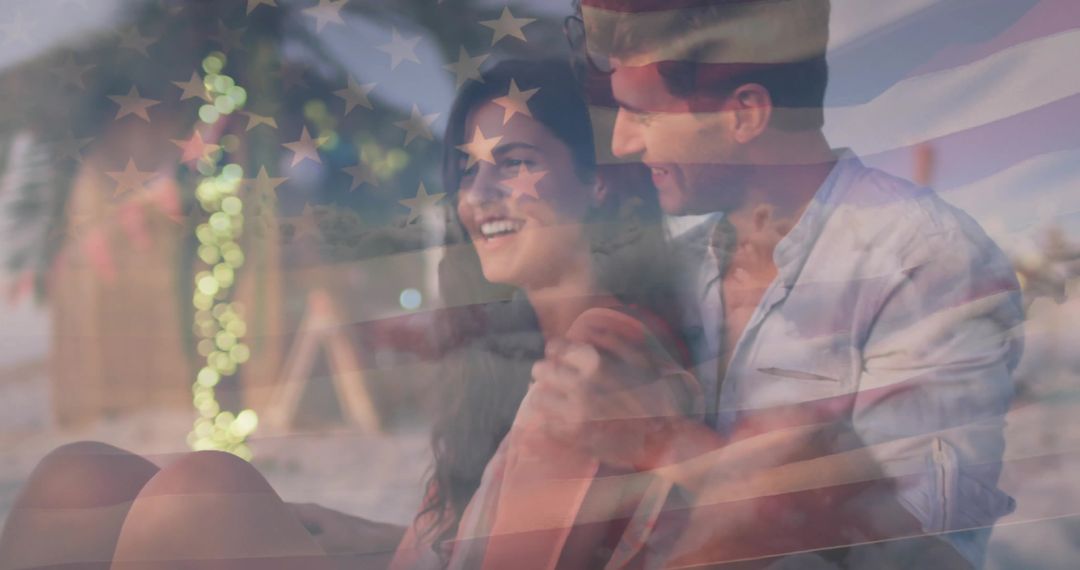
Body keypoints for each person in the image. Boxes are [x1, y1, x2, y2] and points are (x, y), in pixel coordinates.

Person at [0, 59, 698, 570]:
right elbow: (499, 529)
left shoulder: (601, 356)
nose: (478, 194)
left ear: (599, 183)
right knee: (80, 478)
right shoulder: (524, 350)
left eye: (513, 163)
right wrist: (378, 535)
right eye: (467, 169)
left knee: (201, 492)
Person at [535, 0, 1025, 567]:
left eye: (644, 115)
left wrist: (665, 444)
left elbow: (928, 551)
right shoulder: (681, 268)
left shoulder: (923, 262)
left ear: (745, 114)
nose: (623, 142)